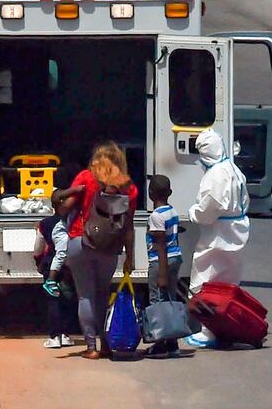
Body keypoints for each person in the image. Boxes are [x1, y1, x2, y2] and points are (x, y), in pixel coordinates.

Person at [63, 142, 137, 360]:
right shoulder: (129, 187)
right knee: (103, 295)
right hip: (110, 246)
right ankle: (106, 344)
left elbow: (66, 206)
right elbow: (128, 227)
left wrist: (59, 196)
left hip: (81, 241)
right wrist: (130, 257)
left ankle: (91, 346)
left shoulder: (86, 177)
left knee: (84, 295)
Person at [185, 129, 249, 349]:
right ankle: (224, 328)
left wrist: (193, 212)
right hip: (237, 231)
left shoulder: (214, 177)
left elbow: (208, 208)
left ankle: (208, 331)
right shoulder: (233, 170)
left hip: (217, 234)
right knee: (228, 284)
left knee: (205, 282)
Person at [33, 182, 84, 349]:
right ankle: (64, 334)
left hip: (51, 265)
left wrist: (38, 261)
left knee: (53, 300)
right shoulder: (69, 222)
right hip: (68, 266)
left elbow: (38, 247)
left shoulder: (45, 223)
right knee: (68, 298)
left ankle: (54, 336)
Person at [144, 174, 183, 359]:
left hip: (161, 262)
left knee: (157, 302)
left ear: (151, 194)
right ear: (170, 193)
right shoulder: (172, 212)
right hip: (175, 258)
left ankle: (160, 344)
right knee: (170, 300)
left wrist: (161, 273)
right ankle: (173, 343)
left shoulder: (156, 216)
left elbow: (160, 245)